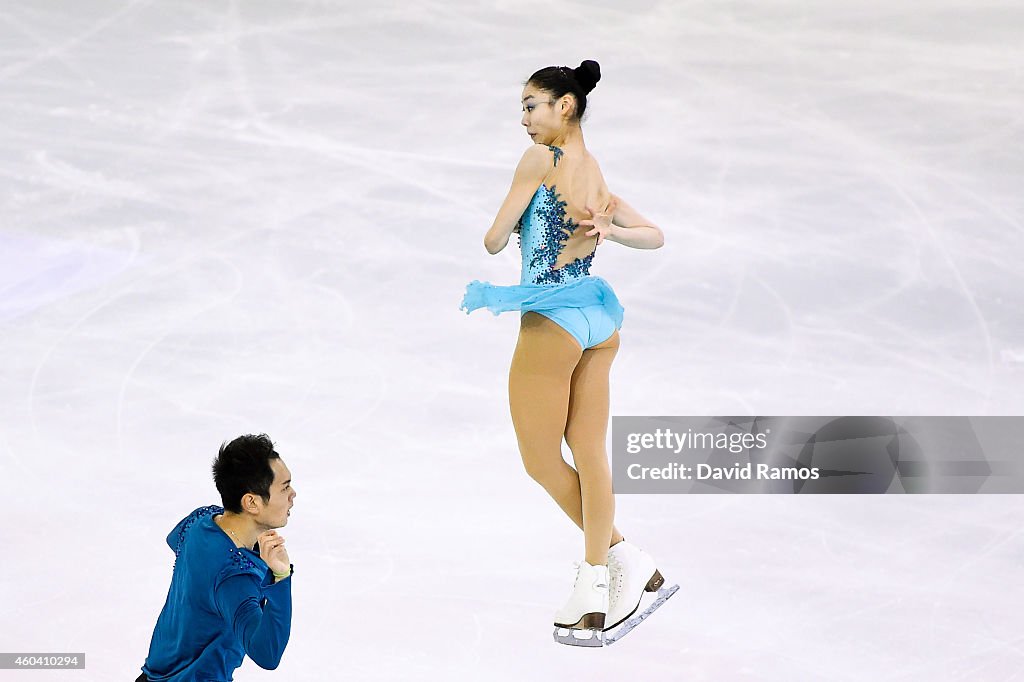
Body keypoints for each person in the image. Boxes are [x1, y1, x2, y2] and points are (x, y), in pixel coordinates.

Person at [460, 60, 667, 644]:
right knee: (588, 452)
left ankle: (610, 569)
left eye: (531, 105)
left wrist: (516, 222)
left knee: (539, 460)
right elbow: (653, 234)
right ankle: (613, 573)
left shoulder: (539, 160)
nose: (524, 119)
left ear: (564, 107)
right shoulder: (594, 171)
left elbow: (494, 239)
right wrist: (609, 231)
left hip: (552, 319)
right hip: (599, 319)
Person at [138, 434, 295, 680]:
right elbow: (267, 653)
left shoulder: (200, 520)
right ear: (251, 502)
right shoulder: (234, 578)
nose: (293, 494)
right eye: (284, 487)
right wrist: (280, 576)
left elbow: (175, 541)